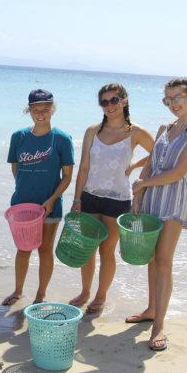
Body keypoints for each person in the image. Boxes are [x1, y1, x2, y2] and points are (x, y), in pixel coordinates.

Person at [127, 78, 187, 351]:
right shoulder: (165, 127)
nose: (172, 104)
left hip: (173, 200)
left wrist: (143, 185)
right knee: (150, 258)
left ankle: (159, 324)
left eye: (177, 98)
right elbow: (150, 164)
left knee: (163, 261)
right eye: (167, 99)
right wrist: (137, 195)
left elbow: (179, 172)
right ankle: (151, 309)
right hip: (150, 197)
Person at [68, 83, 154, 313]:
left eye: (114, 100)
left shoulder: (135, 132)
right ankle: (85, 292)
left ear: (124, 101)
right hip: (89, 196)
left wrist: (135, 165)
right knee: (87, 249)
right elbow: (84, 167)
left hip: (118, 199)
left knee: (107, 251)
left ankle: (100, 296)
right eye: (104, 102)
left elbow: (158, 153)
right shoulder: (92, 131)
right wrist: (76, 199)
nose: (109, 106)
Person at [2, 89, 74, 306]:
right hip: (22, 205)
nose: (41, 113)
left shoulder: (62, 139)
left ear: (52, 109)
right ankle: (17, 291)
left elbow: (67, 176)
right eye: (36, 109)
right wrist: (25, 193)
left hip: (50, 206)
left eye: (45, 108)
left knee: (45, 250)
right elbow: (16, 169)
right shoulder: (19, 137)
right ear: (29, 110)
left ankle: (41, 294)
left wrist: (51, 199)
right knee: (23, 249)